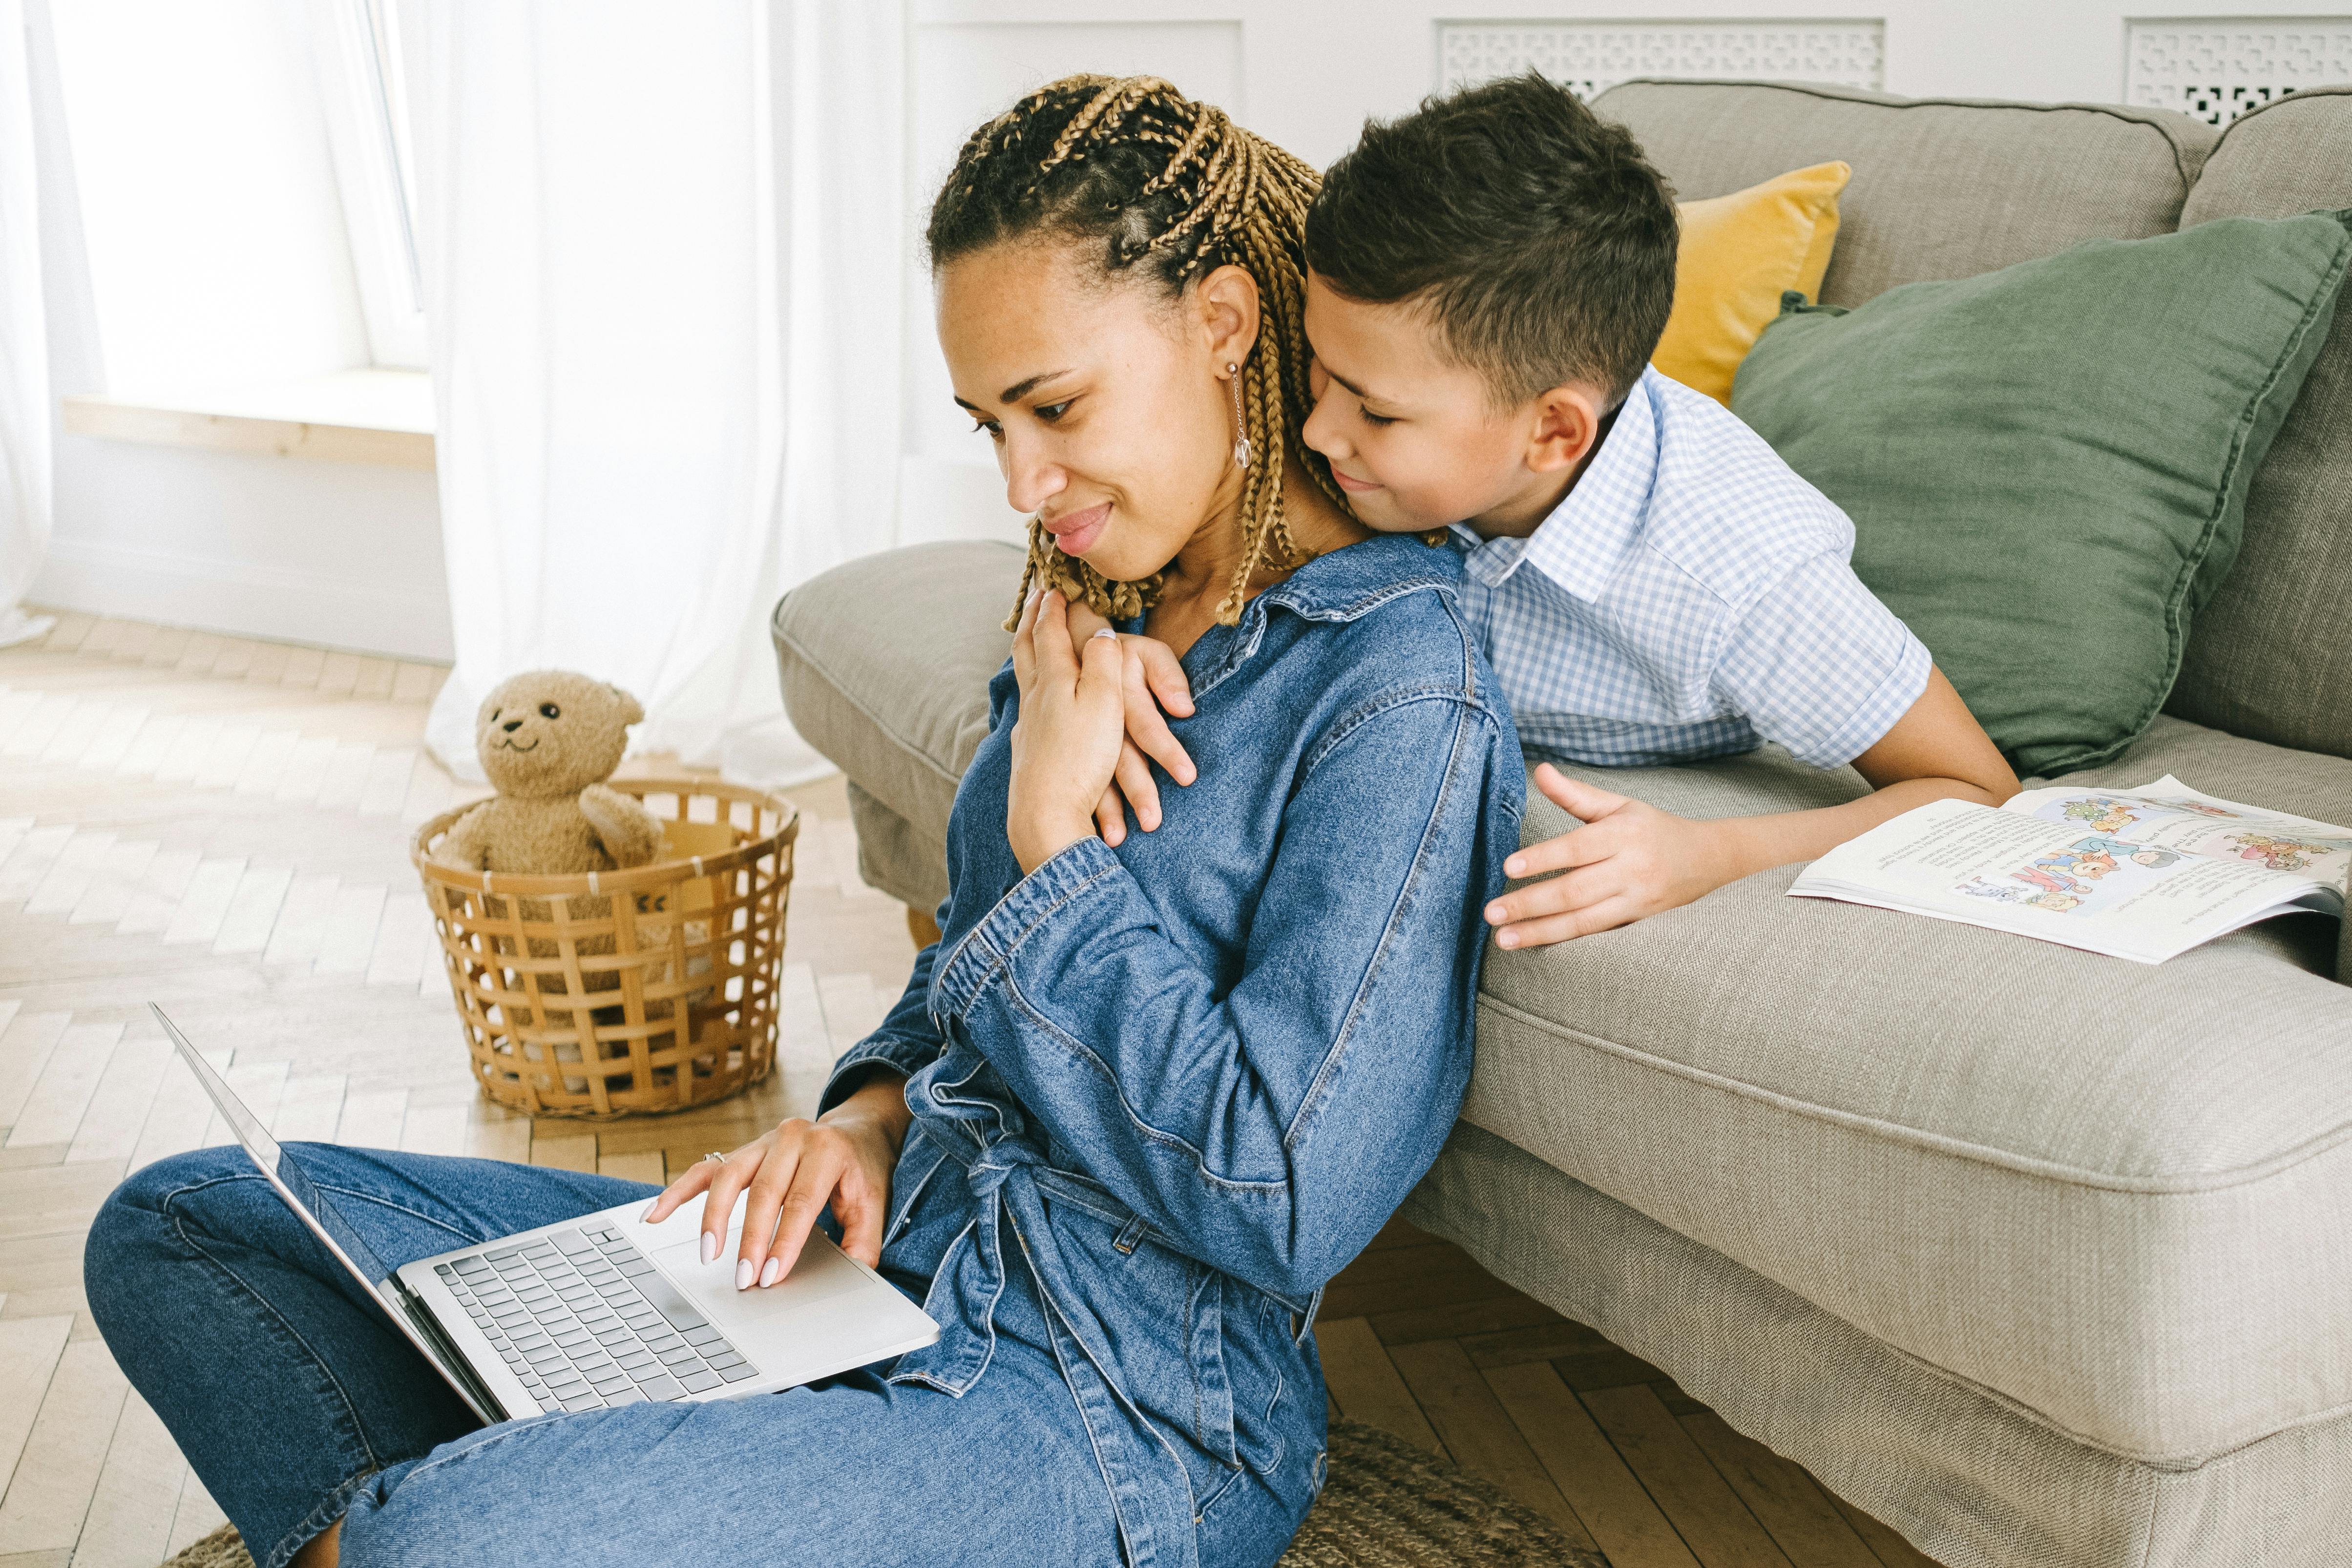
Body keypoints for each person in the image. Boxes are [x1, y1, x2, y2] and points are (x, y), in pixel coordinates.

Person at [82, 75, 1522, 1568]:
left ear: (1224, 321)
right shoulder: (1091, 602)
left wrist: (1061, 858)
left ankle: (508, 1501)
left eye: (1056, 406)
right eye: (990, 424)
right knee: (182, 1222)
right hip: (863, 1265)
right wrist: (865, 1117)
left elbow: (1285, 1196)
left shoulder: (1399, 688)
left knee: (445, 1539)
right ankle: (591, 1475)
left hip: (1106, 1400)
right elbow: (958, 976)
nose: (1026, 483)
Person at [1091, 72, 2021, 949]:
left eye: (1373, 410)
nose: (1322, 432)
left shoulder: (1736, 571)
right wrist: (1104, 626)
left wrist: (1710, 854)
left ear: (1552, 435)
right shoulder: (1386, 408)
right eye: (1317, 372)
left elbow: (1975, 789)